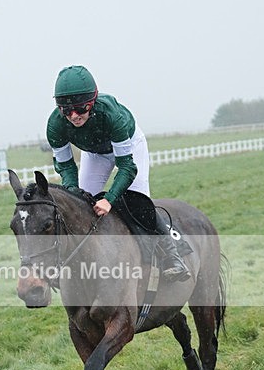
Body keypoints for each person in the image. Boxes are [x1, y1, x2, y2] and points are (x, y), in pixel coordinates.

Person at [46, 65, 190, 281]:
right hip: (94, 153)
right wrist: (72, 190)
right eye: (67, 111)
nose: (74, 116)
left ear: (92, 102)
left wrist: (110, 199)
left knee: (137, 202)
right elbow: (66, 166)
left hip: (129, 148)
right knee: (80, 205)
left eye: (80, 109)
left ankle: (172, 255)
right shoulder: (55, 125)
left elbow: (127, 167)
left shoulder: (111, 114)